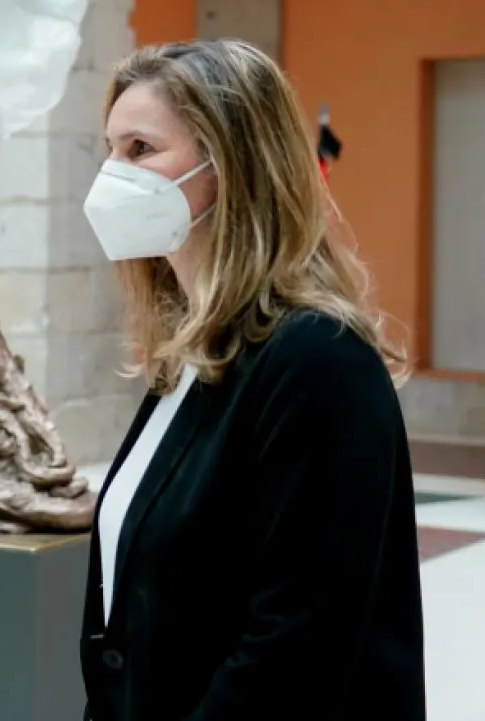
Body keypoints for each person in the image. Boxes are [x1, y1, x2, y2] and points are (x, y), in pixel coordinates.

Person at [79, 39, 425, 721]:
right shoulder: (192, 353)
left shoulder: (317, 359)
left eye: (141, 149)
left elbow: (295, 646)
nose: (111, 174)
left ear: (228, 163)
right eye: (110, 148)